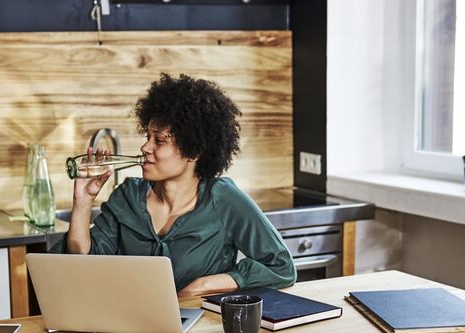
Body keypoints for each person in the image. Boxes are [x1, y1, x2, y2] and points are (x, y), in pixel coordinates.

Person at [65, 73, 296, 298]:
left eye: (160, 140)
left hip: (199, 331)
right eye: (147, 137)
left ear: (193, 151)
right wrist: (83, 201)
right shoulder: (127, 196)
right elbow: (86, 263)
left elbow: (281, 267)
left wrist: (203, 285)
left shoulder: (223, 198)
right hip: (131, 324)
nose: (145, 147)